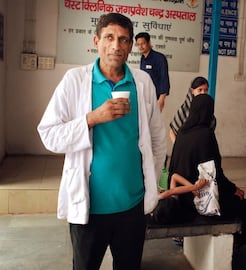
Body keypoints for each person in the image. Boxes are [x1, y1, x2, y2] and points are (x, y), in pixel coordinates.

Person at [37, 13, 166, 270]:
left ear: (130, 46)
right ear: (96, 41)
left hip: (132, 208)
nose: (116, 46)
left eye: (123, 39)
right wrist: (91, 118)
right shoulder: (75, 81)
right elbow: (48, 134)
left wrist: (151, 181)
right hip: (90, 209)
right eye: (109, 37)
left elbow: (157, 138)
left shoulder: (142, 83)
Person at [169, 94, 246, 246]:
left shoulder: (182, 132)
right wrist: (234, 189)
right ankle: (238, 247)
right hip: (196, 200)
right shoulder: (206, 135)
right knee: (240, 204)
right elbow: (215, 175)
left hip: (180, 196)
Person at [169, 76, 215, 143]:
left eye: (206, 90)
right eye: (200, 90)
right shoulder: (184, 110)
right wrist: (179, 148)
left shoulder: (208, 111)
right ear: (192, 91)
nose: (203, 93)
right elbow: (172, 132)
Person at [135, 32, 170, 112]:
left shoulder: (159, 58)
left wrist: (161, 99)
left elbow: (164, 78)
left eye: (143, 43)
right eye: (138, 44)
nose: (140, 46)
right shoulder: (143, 58)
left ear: (149, 43)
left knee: (155, 122)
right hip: (145, 97)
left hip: (156, 97)